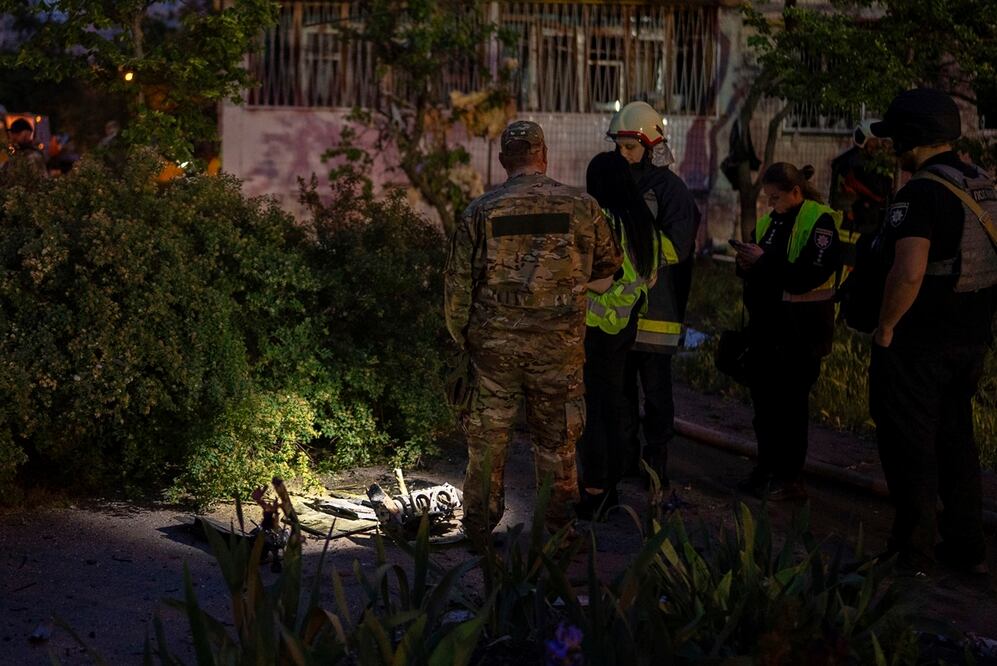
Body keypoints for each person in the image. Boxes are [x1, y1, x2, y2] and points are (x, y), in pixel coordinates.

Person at [444, 120, 623, 545]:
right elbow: (609, 267)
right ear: (544, 156)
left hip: (493, 354)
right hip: (559, 353)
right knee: (557, 444)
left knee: (487, 444)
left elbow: (456, 291)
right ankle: (559, 533)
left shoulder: (480, 211)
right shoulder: (582, 207)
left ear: (506, 161)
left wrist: (465, 340)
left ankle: (479, 532)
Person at [867, 88, 997, 576]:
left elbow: (909, 271)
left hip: (920, 345)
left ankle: (910, 551)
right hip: (970, 340)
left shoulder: (919, 191)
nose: (891, 145)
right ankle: (966, 544)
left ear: (913, 137)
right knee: (956, 440)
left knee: (910, 444)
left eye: (895, 135)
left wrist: (885, 328)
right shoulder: (981, 183)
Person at [734, 162, 842, 501]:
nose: (770, 204)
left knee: (791, 410)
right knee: (765, 408)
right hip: (767, 331)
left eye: (775, 197)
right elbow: (763, 270)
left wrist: (762, 262)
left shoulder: (819, 221)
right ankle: (765, 469)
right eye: (767, 197)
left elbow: (808, 275)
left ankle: (789, 479)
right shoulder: (770, 222)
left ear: (795, 192)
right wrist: (745, 264)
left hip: (802, 335)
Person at [606, 101, 699, 487]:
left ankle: (655, 466)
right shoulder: (618, 184)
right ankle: (626, 463)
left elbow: (679, 244)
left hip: (657, 312)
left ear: (651, 144)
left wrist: (631, 246)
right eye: (620, 146)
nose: (623, 153)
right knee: (623, 395)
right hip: (621, 310)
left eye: (630, 146)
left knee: (657, 397)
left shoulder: (671, 189)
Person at [576, 150, 664, 518]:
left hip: (596, 325)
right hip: (627, 323)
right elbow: (651, 275)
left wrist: (573, 280)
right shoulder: (644, 221)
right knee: (614, 403)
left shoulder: (605, 220)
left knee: (593, 409)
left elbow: (601, 279)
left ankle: (596, 491)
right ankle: (610, 485)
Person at [829, 119, 895, 270]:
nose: (879, 144)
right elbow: (880, 191)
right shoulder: (858, 163)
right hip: (855, 224)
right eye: (875, 140)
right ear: (865, 139)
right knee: (852, 265)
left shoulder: (850, 159)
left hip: (856, 222)